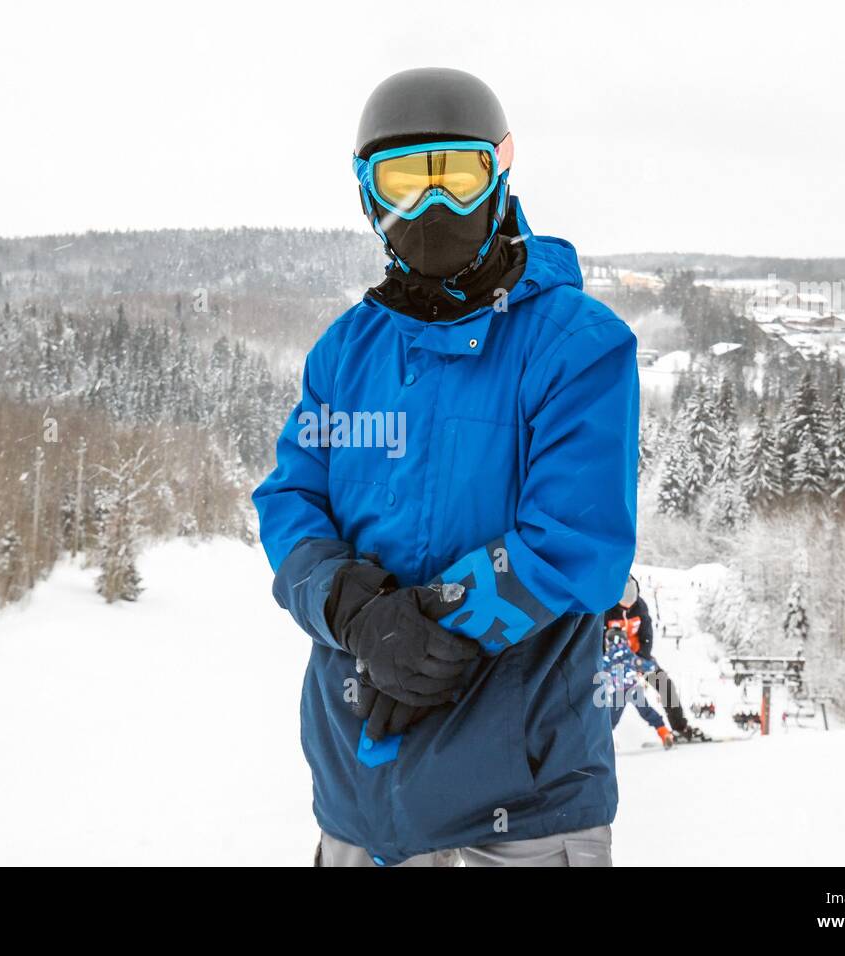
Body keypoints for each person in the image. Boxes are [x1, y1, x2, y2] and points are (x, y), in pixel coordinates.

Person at [253, 67, 639, 867]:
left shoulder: (577, 345)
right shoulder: (345, 353)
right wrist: (360, 613)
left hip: (524, 810)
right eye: (404, 180)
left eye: (456, 177)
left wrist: (434, 627)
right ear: (367, 196)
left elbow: (579, 542)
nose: (432, 208)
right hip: (360, 799)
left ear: (499, 174)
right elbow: (291, 499)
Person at [602, 574, 692, 737]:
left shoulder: (640, 607)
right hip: (615, 661)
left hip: (638, 657)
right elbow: (599, 640)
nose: (627, 609)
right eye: (623, 605)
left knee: (664, 684)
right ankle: (601, 734)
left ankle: (680, 727)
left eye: (630, 604)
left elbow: (647, 636)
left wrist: (640, 659)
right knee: (619, 697)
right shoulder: (606, 610)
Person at [601, 626, 673, 748]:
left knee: (610, 719)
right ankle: (664, 733)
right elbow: (646, 666)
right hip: (634, 689)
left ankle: (602, 744)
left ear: (608, 641)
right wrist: (652, 663)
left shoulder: (608, 657)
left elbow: (598, 667)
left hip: (619, 692)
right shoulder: (630, 656)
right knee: (647, 712)